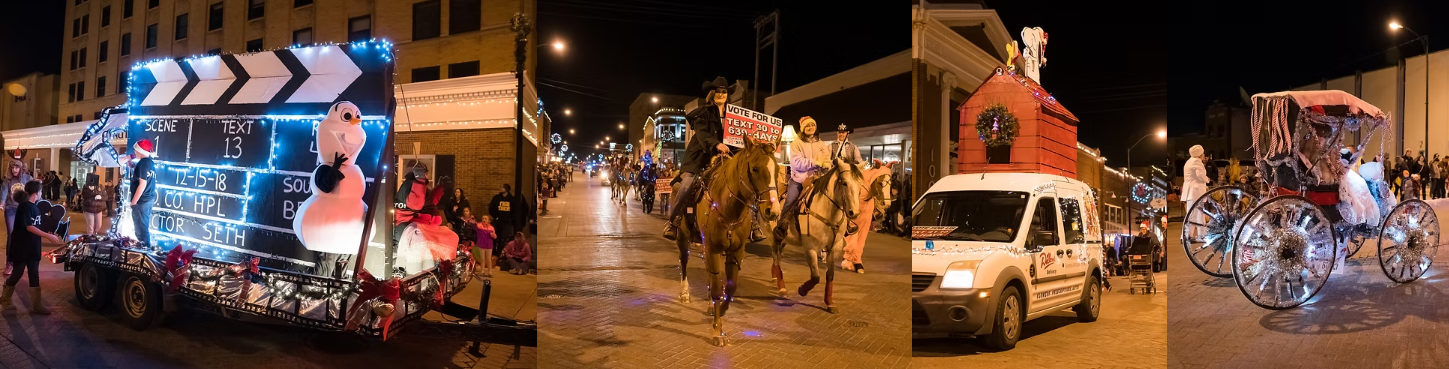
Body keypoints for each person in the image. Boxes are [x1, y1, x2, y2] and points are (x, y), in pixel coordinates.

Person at [663, 76, 744, 241]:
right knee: (687, 185)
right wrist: (716, 145)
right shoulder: (703, 112)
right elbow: (702, 134)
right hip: (700, 156)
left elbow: (738, 136)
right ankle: (674, 221)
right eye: (718, 91)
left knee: (745, 182)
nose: (721, 94)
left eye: (724, 92)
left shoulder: (735, 116)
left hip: (727, 156)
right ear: (712, 93)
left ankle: (753, 225)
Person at [0, 180, 60, 314]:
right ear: (36, 193)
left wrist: (49, 231)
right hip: (22, 246)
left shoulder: (35, 206)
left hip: (33, 246)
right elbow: (29, 226)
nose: (40, 194)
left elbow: (36, 224)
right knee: (18, 272)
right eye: (40, 192)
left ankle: (37, 305)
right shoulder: (25, 206)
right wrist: (47, 236)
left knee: (34, 273)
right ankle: (5, 298)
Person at [1, 159, 32, 276]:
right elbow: (3, 192)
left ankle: (23, 261)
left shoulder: (27, 178)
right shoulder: (7, 180)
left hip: (24, 209)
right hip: (11, 209)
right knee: (12, 233)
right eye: (12, 167)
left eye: (17, 168)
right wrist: (2, 203)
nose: (14, 170)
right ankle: (9, 263)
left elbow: (33, 191)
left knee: (25, 233)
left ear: (21, 168)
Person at [129, 139, 158, 247]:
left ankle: (144, 250)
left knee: (141, 229)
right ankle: (145, 247)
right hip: (148, 199)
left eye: (136, 150)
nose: (135, 152)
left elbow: (142, 184)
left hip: (141, 201)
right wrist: (132, 167)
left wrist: (134, 202)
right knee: (143, 226)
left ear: (140, 151)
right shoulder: (150, 163)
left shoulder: (142, 163)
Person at [1181, 145, 1209, 238]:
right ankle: (1186, 235)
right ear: (1200, 154)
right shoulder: (1196, 161)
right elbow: (1200, 175)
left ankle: (1202, 234)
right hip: (1195, 191)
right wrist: (1207, 179)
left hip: (1193, 191)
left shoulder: (1189, 161)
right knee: (1193, 214)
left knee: (1199, 213)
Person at [489, 184, 518, 260]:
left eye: (502, 187)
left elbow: (515, 210)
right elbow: (491, 208)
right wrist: (496, 217)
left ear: (506, 189)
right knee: (495, 237)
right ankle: (493, 252)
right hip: (497, 221)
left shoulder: (511, 199)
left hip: (506, 222)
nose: (501, 188)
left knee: (503, 238)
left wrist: (510, 219)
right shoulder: (497, 198)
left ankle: (498, 254)